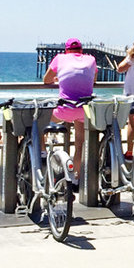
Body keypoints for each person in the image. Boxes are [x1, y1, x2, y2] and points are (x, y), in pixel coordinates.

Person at [43, 38, 97, 187]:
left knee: (40, 122)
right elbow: (93, 80)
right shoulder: (91, 59)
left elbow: (46, 80)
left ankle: (42, 151)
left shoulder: (60, 58)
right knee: (80, 144)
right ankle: (76, 178)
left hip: (64, 110)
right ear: (81, 50)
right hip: (83, 109)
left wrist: (58, 79)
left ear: (66, 51)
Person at [116, 38, 134, 160]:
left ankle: (130, 151)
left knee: (132, 124)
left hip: (133, 94)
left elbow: (120, 68)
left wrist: (129, 54)